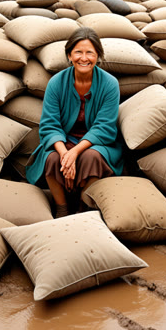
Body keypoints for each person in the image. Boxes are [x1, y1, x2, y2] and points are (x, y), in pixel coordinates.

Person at [26, 27, 123, 218]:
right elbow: (49, 124)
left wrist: (75, 153)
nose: (83, 58)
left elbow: (104, 127)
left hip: (97, 143)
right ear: (69, 55)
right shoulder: (56, 83)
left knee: (91, 158)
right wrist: (64, 154)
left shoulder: (110, 84)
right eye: (78, 52)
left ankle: (83, 206)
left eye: (90, 53)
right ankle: (62, 208)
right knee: (52, 158)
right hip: (65, 140)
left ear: (98, 56)